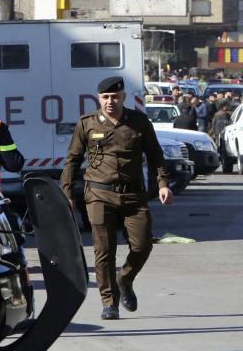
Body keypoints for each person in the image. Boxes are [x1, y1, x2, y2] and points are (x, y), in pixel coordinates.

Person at [60, 76, 173, 321]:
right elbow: (72, 161)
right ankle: (109, 303)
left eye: (115, 97)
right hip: (99, 194)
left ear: (123, 97)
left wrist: (163, 184)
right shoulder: (87, 124)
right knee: (104, 251)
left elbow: (156, 156)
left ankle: (125, 278)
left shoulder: (139, 122)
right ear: (98, 98)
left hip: (133, 194)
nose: (110, 102)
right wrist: (67, 194)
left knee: (143, 245)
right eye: (105, 97)